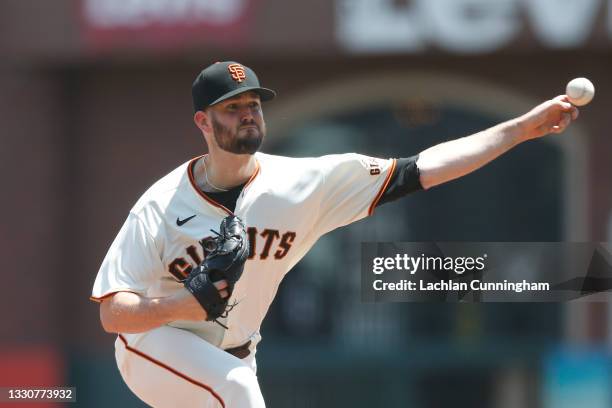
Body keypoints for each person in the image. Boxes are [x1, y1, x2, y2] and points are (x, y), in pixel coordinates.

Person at [91, 61, 579, 407]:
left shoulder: (303, 184)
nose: (247, 114)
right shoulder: (160, 203)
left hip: (236, 354)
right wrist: (181, 306)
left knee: (235, 383)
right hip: (153, 346)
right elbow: (113, 314)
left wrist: (518, 130)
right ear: (203, 121)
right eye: (231, 106)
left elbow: (422, 169)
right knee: (237, 393)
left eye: (253, 104)